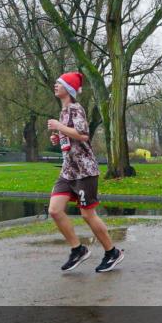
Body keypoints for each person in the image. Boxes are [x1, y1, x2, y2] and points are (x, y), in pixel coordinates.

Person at [48, 71, 124, 273]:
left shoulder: (75, 108)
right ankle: (78, 249)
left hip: (84, 171)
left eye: (59, 83)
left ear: (69, 89)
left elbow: (82, 135)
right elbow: (70, 137)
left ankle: (112, 252)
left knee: (87, 215)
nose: (55, 85)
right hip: (68, 171)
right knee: (55, 210)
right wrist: (59, 138)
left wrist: (59, 127)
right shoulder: (64, 111)